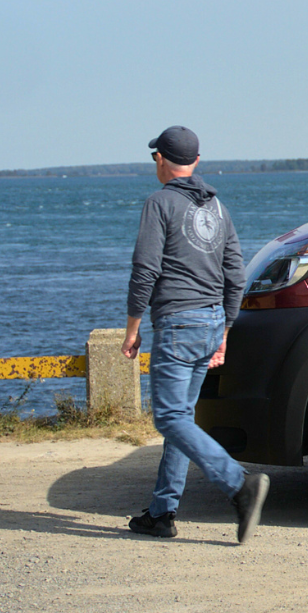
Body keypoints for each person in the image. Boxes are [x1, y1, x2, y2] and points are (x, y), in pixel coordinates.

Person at [121, 125, 269, 542]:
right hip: (208, 324)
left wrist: (132, 328)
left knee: (169, 417)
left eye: (155, 157)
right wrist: (224, 327)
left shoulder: (159, 203)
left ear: (161, 160)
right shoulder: (217, 208)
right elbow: (235, 274)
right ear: (197, 162)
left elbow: (145, 270)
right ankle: (162, 512)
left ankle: (240, 485)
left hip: (178, 324)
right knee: (180, 419)